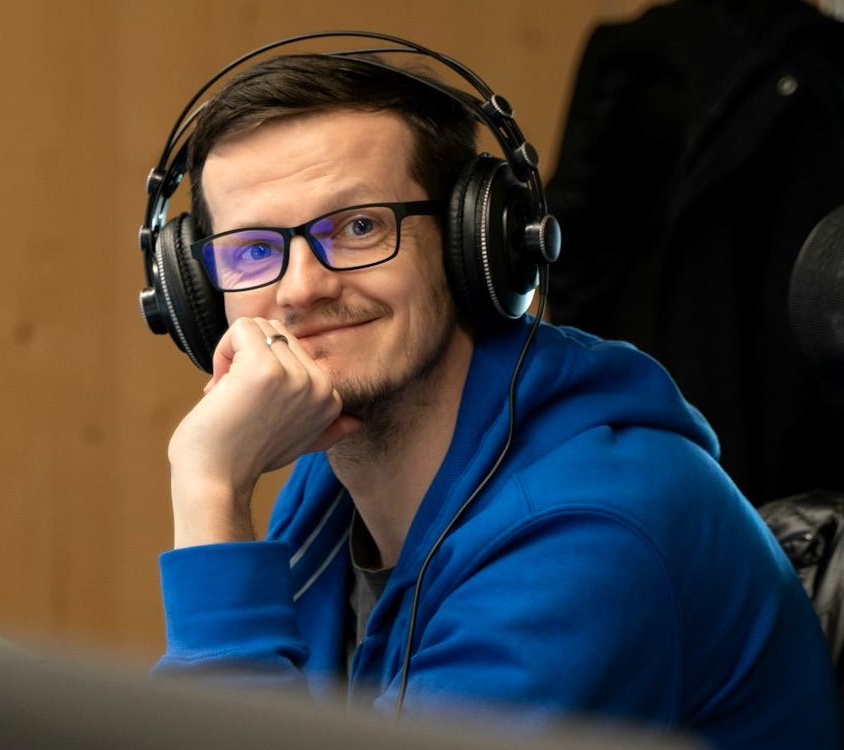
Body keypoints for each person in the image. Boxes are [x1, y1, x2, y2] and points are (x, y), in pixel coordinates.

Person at [143, 35, 841, 749]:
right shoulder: (328, 474)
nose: (301, 288)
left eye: (357, 227)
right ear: (196, 294)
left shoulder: (588, 531)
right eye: (253, 251)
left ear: (473, 242)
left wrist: (210, 488)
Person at [544, 0, 844, 506]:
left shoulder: (635, 52)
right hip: (785, 424)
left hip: (659, 407)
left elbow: (567, 248)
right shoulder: (821, 62)